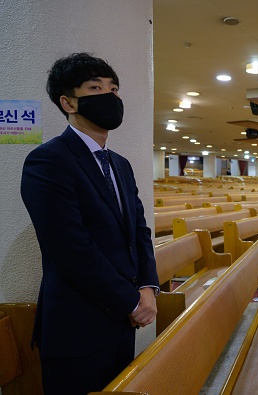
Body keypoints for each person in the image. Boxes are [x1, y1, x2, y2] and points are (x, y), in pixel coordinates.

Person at [20, 53, 159, 395]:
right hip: (77, 326)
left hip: (122, 321)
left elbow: (139, 231)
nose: (109, 96)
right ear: (68, 102)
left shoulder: (120, 165)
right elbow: (71, 249)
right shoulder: (48, 160)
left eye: (114, 89)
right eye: (95, 88)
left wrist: (148, 287)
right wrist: (131, 301)